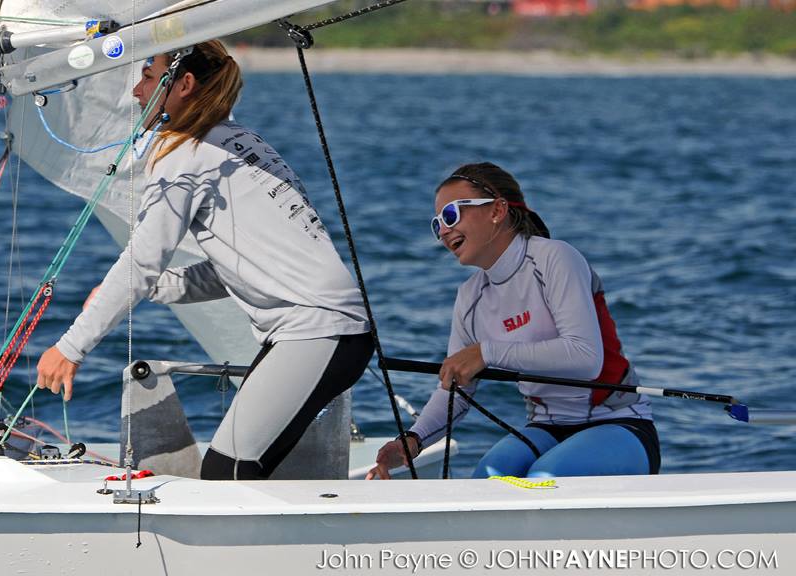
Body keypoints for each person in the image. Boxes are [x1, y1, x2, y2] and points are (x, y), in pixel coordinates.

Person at [36, 40, 373, 480]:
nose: (137, 91)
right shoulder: (238, 143)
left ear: (184, 84)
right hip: (328, 335)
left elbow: (141, 262)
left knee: (224, 473)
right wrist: (153, 288)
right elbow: (231, 273)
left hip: (316, 333)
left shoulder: (187, 155)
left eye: (148, 77)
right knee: (239, 471)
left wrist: (70, 348)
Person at [366, 162, 659, 480]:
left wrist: (487, 352)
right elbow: (456, 391)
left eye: (451, 215)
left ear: (497, 210)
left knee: (543, 478)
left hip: (617, 422)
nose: (443, 231)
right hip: (545, 428)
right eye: (437, 224)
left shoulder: (555, 258)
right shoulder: (469, 297)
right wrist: (413, 440)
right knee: (485, 480)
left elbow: (586, 357)